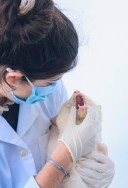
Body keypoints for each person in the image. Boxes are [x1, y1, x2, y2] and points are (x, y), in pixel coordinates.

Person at [0, 0, 114, 187]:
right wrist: (65, 156)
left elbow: (62, 143)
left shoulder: (43, 91)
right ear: (12, 78)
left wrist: (87, 166)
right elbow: (65, 152)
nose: (56, 88)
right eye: (50, 82)